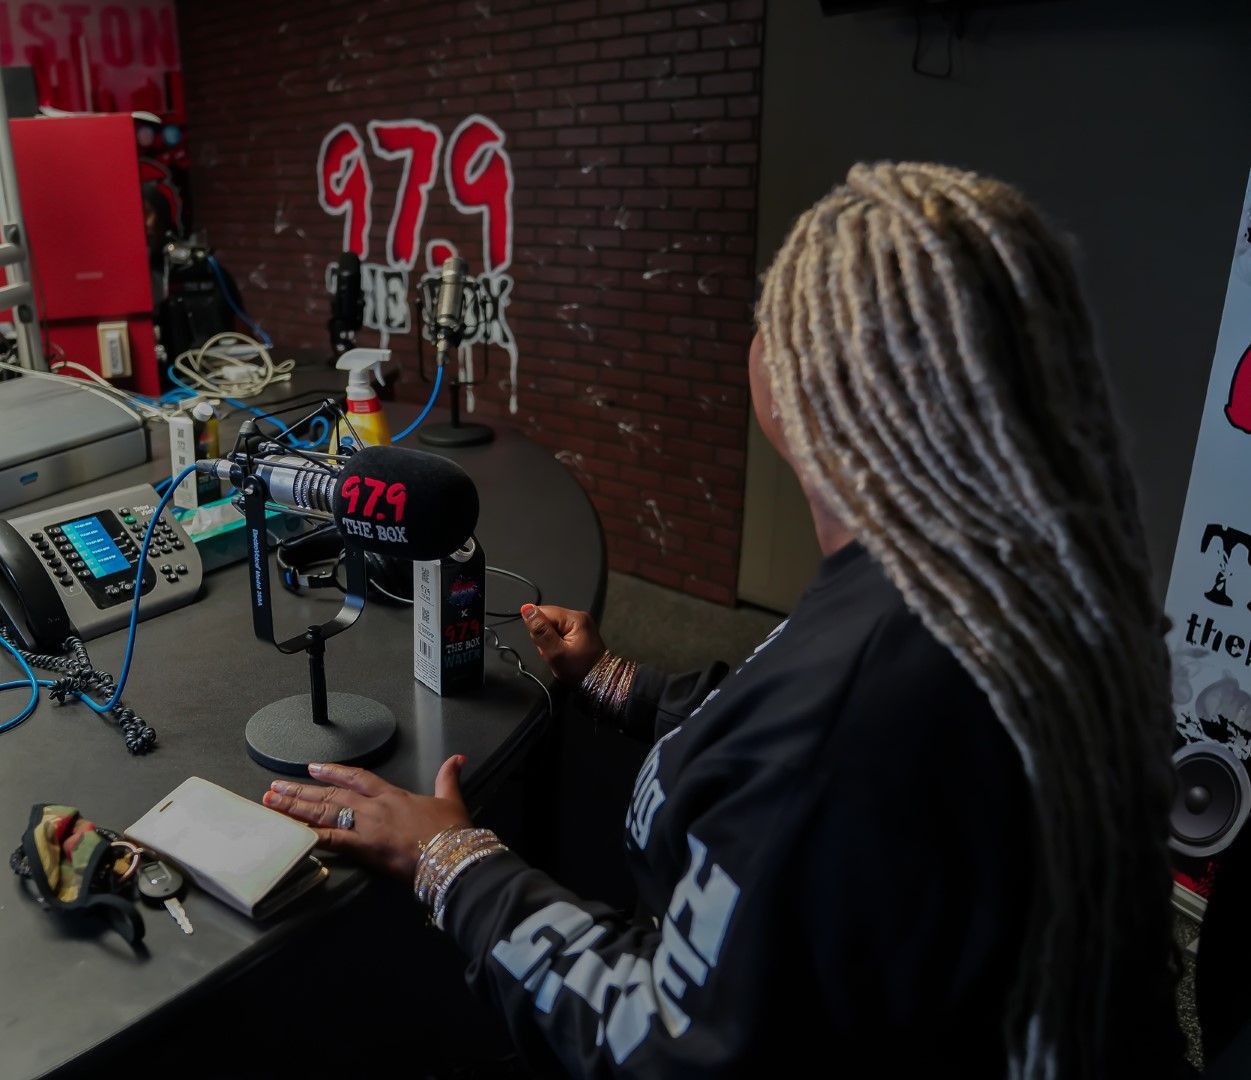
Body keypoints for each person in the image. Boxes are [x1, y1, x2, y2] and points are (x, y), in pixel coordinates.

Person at [261, 162, 1182, 1077]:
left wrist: (449, 859)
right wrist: (617, 679)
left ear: (806, 378)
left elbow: (666, 1046)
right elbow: (774, 712)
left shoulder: (847, 721)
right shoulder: (1003, 575)